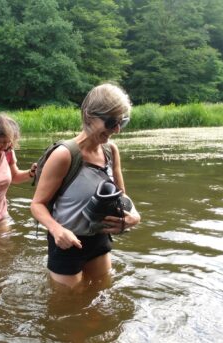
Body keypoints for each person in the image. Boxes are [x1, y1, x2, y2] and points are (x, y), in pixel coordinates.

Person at [30, 83, 141, 289]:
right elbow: (37, 204)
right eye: (111, 122)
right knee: (67, 308)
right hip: (66, 243)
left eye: (122, 122)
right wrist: (56, 230)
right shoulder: (64, 155)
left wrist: (134, 216)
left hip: (99, 238)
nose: (116, 130)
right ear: (89, 117)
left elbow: (121, 195)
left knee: (101, 299)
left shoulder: (111, 151)